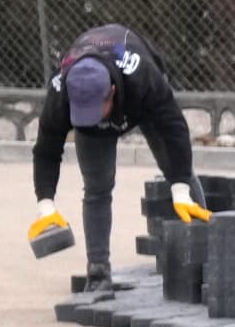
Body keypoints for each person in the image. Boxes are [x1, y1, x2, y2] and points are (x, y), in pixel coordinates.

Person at [23, 23, 206, 292]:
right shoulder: (61, 90)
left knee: (178, 172)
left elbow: (174, 128)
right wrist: (46, 204)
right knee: (97, 187)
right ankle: (98, 272)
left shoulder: (143, 76)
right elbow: (46, 149)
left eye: (95, 110)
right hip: (98, 118)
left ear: (111, 92)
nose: (89, 117)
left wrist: (180, 189)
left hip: (140, 107)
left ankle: (206, 258)